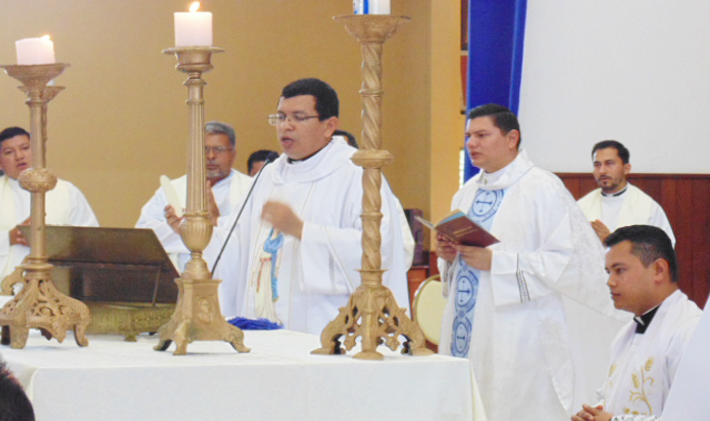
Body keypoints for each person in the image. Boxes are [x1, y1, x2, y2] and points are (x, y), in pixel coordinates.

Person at [436, 104, 617, 421]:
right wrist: (449, 258)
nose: (471, 144)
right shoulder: (464, 195)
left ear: (511, 138)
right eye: (468, 137)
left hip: (519, 330)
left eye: (481, 135)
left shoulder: (542, 188)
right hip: (468, 328)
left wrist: (497, 263)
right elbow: (459, 268)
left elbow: (568, 262)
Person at [200, 78, 412, 334]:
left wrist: (303, 231)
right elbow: (239, 250)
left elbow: (381, 250)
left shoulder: (357, 174)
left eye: (298, 117)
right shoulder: (268, 175)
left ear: (329, 126)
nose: (285, 126)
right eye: (280, 117)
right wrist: (206, 230)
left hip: (324, 331)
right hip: (262, 326)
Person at [572, 225, 701, 421]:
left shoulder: (691, 331)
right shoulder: (625, 334)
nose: (610, 281)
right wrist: (593, 414)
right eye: (609, 272)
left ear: (659, 270)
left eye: (620, 270)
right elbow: (616, 398)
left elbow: (696, 416)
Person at [136, 121, 252, 271]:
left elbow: (251, 236)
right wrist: (186, 229)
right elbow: (145, 235)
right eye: (204, 149)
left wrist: (215, 222)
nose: (210, 156)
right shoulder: (173, 188)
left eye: (219, 149)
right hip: (181, 275)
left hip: (231, 275)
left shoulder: (250, 188)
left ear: (233, 154)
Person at [0, 127, 98, 281]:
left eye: (25, 148)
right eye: (9, 152)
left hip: (57, 284)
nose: (19, 156)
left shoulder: (66, 191)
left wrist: (51, 239)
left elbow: (90, 239)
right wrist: (8, 238)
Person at [578, 141, 675, 245]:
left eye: (609, 164)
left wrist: (610, 241)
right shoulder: (581, 206)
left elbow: (663, 248)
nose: (602, 171)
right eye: (597, 165)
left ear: (626, 168)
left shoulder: (647, 208)